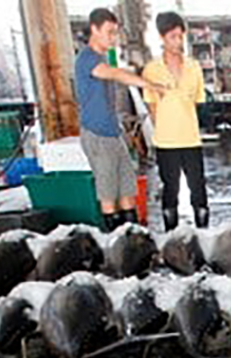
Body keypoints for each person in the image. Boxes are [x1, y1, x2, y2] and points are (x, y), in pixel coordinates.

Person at [75, 8, 165, 228]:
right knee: (108, 193)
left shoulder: (102, 57)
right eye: (109, 32)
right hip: (97, 134)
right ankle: (116, 246)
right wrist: (149, 84)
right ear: (94, 29)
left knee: (127, 189)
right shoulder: (87, 58)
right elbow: (115, 74)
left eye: (115, 33)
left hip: (114, 134)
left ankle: (133, 237)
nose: (113, 38)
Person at [143, 12, 210, 230]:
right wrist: (161, 132)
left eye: (180, 37)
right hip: (166, 141)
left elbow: (198, 101)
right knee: (170, 188)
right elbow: (151, 106)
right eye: (173, 37)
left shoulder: (194, 67)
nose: (178, 42)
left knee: (198, 188)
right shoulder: (151, 70)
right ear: (162, 38)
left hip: (191, 138)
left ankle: (203, 235)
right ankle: (171, 237)